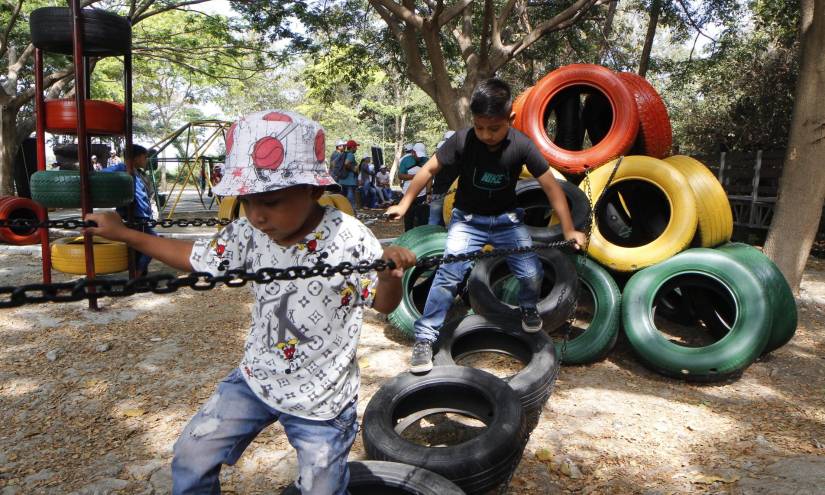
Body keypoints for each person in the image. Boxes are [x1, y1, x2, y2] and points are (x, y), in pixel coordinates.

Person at [84, 110, 416, 494]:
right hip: (256, 379)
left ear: (312, 189)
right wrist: (125, 234)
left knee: (322, 487)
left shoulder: (350, 239)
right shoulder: (246, 232)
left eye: (271, 201)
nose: (257, 215)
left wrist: (392, 276)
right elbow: (196, 258)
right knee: (191, 453)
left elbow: (383, 305)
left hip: (322, 399)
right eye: (246, 200)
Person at [387, 78, 587, 374]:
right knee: (447, 276)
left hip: (508, 221)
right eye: (480, 127)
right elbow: (429, 168)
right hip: (467, 222)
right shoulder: (463, 140)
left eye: (494, 128)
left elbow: (552, 188)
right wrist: (404, 204)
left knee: (531, 271)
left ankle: (528, 306)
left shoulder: (522, 145)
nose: (486, 135)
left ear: (511, 119)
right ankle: (424, 339)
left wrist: (569, 228)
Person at [100, 144, 158, 277]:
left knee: (140, 247)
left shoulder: (138, 173)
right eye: (144, 157)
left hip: (143, 217)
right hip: (136, 216)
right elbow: (101, 173)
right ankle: (137, 274)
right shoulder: (122, 168)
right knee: (152, 244)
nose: (146, 160)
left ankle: (139, 274)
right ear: (136, 158)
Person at [397, 143, 429, 231]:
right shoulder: (405, 160)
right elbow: (400, 175)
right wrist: (414, 176)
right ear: (413, 153)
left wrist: (428, 192)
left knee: (422, 219)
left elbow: (430, 177)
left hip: (422, 194)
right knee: (408, 218)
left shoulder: (426, 160)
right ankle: (408, 235)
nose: (419, 157)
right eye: (417, 155)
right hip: (407, 193)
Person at [427, 131, 456, 226]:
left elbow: (430, 175)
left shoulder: (438, 156)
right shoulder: (460, 156)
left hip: (438, 193)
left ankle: (430, 239)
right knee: (450, 222)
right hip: (452, 194)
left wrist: (428, 192)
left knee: (433, 221)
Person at [338, 140, 359, 209]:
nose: (356, 148)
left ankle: (343, 212)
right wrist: (354, 169)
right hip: (349, 181)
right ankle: (352, 212)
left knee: (343, 198)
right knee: (351, 199)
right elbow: (346, 163)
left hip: (342, 180)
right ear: (352, 147)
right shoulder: (350, 155)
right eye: (355, 147)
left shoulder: (344, 154)